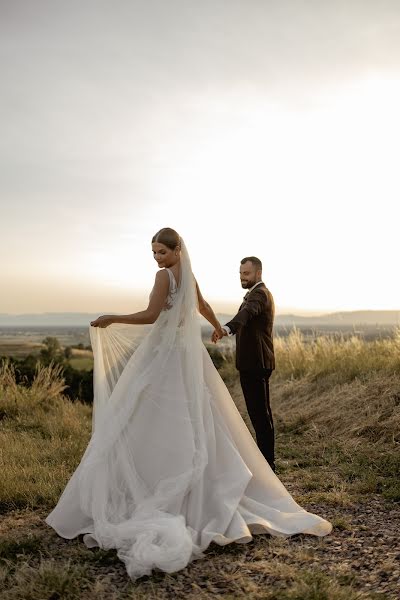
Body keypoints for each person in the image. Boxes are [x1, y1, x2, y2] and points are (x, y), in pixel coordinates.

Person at [45, 228, 332, 581]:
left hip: (166, 353)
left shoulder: (163, 277)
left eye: (162, 252)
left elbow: (152, 315)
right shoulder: (189, 275)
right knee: (190, 413)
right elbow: (202, 306)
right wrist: (214, 327)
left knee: (147, 412)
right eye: (153, 253)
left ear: (177, 250)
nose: (157, 258)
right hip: (186, 353)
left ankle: (156, 480)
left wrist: (111, 318)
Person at [213, 257, 276, 471]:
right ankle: (266, 463)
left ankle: (268, 465)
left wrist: (227, 328)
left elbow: (247, 313)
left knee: (260, 415)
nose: (242, 277)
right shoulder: (255, 294)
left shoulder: (259, 294)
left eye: (246, 274)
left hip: (256, 363)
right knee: (259, 414)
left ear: (258, 273)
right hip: (254, 363)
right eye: (240, 273)